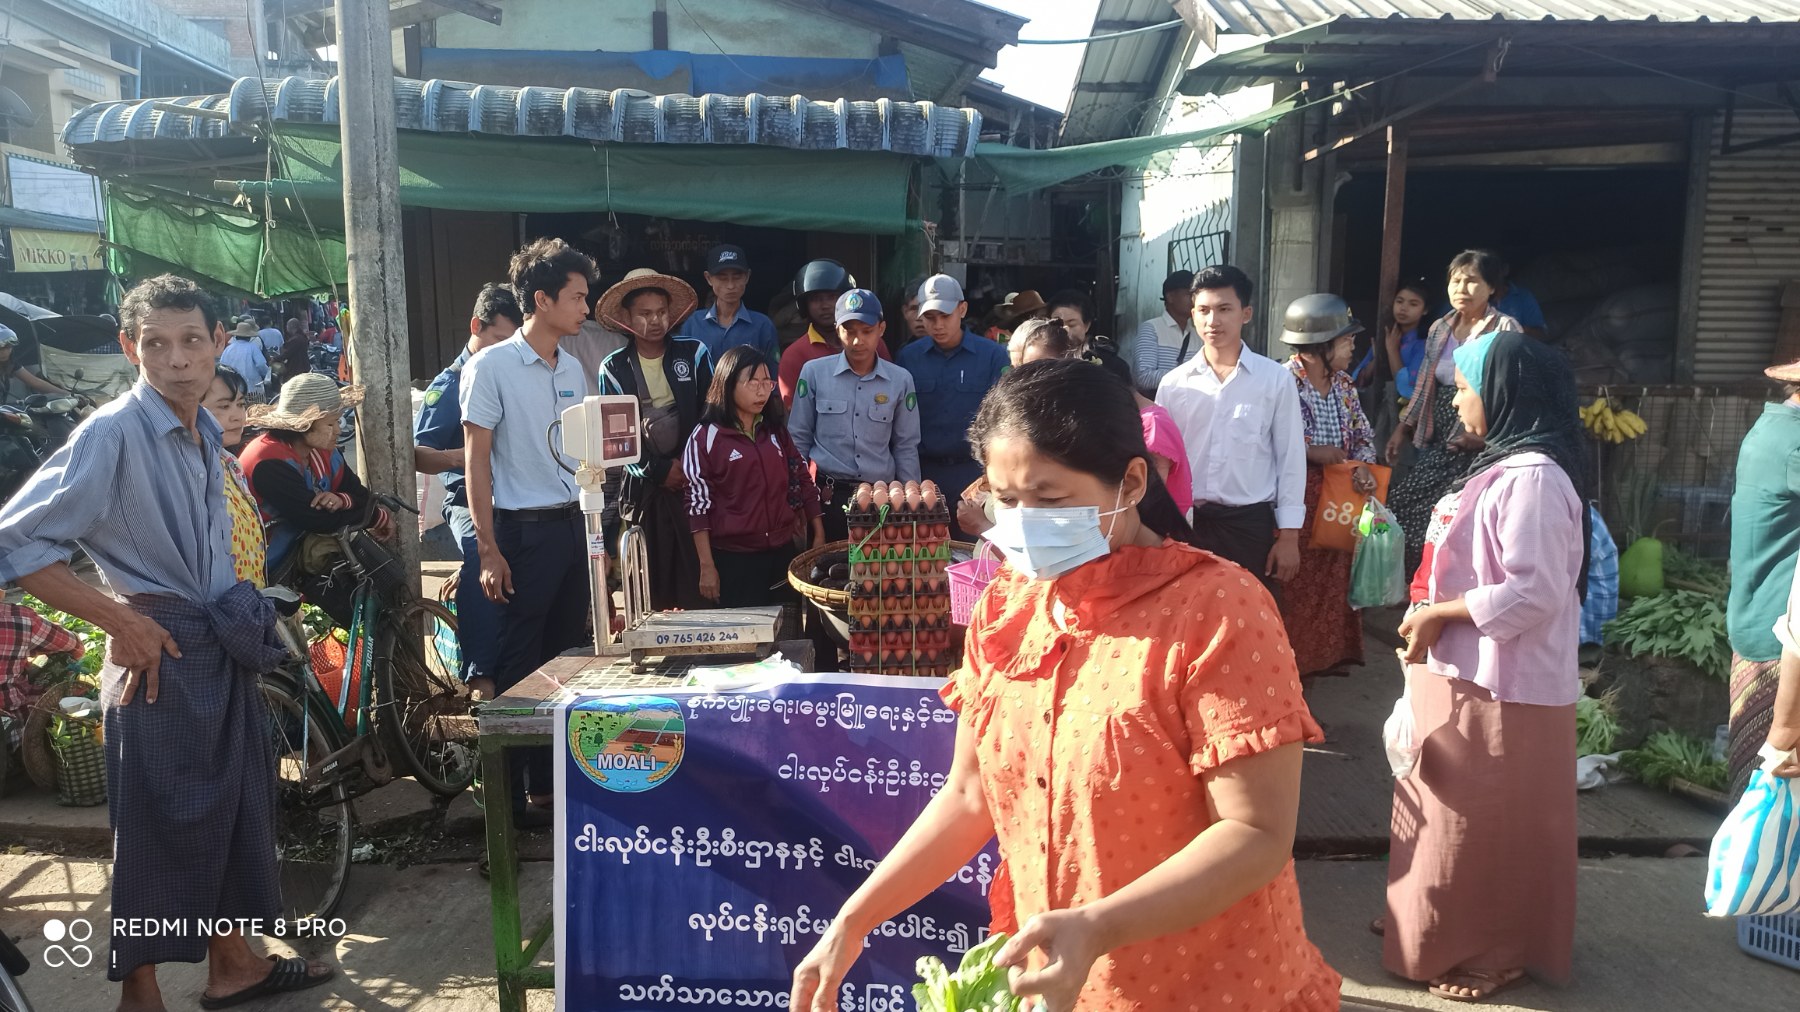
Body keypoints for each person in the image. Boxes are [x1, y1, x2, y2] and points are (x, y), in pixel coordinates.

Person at [791, 358, 1341, 1012]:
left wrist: (1099, 926)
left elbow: (1255, 833)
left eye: (1049, 500)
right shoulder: (1006, 606)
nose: (1023, 521)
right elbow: (969, 795)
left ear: (1132, 481)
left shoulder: (1220, 609)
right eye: (1005, 499)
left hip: (1209, 985)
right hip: (1053, 985)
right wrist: (853, 920)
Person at [0, 275, 334, 1010]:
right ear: (130, 348)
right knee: (162, 826)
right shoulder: (113, 432)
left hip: (216, 643)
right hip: (159, 653)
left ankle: (233, 965)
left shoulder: (205, 430)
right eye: (156, 343)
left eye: (191, 340)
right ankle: (140, 995)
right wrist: (119, 621)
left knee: (229, 811)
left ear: (220, 342)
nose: (176, 359)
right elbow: (17, 544)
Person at [1385, 330, 1588, 1003]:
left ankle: (1496, 948)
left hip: (1505, 681)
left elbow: (1535, 591)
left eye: (1466, 389)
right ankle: (1436, 918)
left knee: (1490, 822)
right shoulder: (1498, 466)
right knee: (1448, 810)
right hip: (1462, 669)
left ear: (1505, 396)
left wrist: (1441, 614)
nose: (1456, 402)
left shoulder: (1533, 478)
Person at [462, 238, 594, 817]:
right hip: (522, 531)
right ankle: (507, 802)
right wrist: (487, 549)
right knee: (520, 661)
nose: (585, 308)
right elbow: (476, 462)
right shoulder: (489, 366)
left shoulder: (574, 367)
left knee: (565, 658)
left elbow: (586, 456)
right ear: (542, 299)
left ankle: (547, 788)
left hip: (572, 526)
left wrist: (597, 534)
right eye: (577, 297)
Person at [1156, 265, 1306, 595]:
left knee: (1250, 612)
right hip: (1187, 524)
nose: (1213, 321)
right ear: (1193, 314)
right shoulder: (1174, 384)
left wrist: (1289, 535)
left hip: (1249, 526)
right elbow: (1163, 462)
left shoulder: (1275, 380)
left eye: (1224, 309)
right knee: (1185, 613)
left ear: (1245, 313)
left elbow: (1290, 459)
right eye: (1204, 310)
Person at [1384, 250, 1523, 577]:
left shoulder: (1505, 328)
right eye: (1456, 280)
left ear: (1491, 287)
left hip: (1480, 435)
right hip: (1439, 428)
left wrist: (1484, 438)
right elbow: (1425, 384)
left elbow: (1511, 391)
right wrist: (1402, 428)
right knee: (1406, 501)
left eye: (1472, 281)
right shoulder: (1440, 328)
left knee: (1457, 513)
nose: (1462, 288)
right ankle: (1414, 582)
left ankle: (1445, 582)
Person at [413, 283, 522, 689]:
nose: (504, 351)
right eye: (497, 340)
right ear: (476, 326)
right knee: (481, 558)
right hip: (466, 499)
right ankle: (481, 679)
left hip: (515, 496)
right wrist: (465, 457)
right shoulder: (450, 384)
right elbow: (418, 453)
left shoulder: (517, 373)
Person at [598, 268, 712, 611]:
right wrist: (659, 470)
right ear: (627, 318)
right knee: (648, 588)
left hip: (695, 486)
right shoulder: (613, 368)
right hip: (644, 492)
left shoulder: (694, 353)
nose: (655, 321)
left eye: (661, 312)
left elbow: (712, 417)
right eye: (644, 314)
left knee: (697, 584)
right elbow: (617, 440)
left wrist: (688, 468)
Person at [1277, 295, 1378, 676]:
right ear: (1319, 346)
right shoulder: (1282, 382)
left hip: (1340, 495)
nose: (1353, 347)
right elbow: (1262, 441)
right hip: (1294, 498)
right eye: (1346, 340)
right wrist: (1308, 451)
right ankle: (1289, 666)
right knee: (1295, 583)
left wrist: (1364, 465)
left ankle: (1323, 660)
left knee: (1334, 579)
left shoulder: (1345, 385)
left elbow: (1362, 435)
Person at [240, 374, 391, 623]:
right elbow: (316, 519)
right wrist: (375, 517)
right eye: (330, 424)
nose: (338, 430)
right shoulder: (268, 460)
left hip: (292, 559)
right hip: (261, 568)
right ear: (303, 424)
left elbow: (360, 495)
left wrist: (342, 500)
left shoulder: (322, 452)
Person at [682, 346, 824, 607]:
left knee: (787, 628)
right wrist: (707, 566)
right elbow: (697, 505)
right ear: (727, 384)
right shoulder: (704, 438)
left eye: (767, 382)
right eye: (752, 382)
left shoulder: (776, 432)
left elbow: (803, 477)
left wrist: (818, 533)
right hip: (734, 559)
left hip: (782, 553)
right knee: (746, 630)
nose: (762, 391)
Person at [789, 290, 921, 542]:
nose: (858, 340)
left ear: (881, 329)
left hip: (881, 501)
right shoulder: (814, 373)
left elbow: (906, 446)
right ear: (837, 330)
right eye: (849, 331)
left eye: (867, 331)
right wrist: (797, 499)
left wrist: (911, 504)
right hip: (827, 500)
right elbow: (798, 439)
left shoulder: (900, 380)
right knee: (824, 565)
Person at [1726, 356, 1800, 795]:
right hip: (1781, 634)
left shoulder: (1774, 428)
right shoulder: (1792, 443)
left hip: (1764, 620)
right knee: (1770, 780)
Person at [898, 274, 1009, 539]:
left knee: (975, 551)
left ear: (962, 309)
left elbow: (1003, 421)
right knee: (924, 552)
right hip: (924, 474)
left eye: (945, 316)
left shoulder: (992, 356)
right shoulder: (908, 358)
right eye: (930, 317)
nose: (937, 325)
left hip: (973, 475)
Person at [777, 259, 889, 406]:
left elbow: (890, 392)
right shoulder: (795, 354)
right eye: (816, 299)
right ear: (804, 305)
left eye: (832, 297)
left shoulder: (873, 343)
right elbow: (794, 412)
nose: (825, 305)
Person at [681, 243, 779, 368]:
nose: (730, 286)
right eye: (722, 278)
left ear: (747, 277)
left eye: (737, 277)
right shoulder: (692, 324)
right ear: (708, 278)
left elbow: (772, 373)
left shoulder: (763, 326)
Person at [1132, 269, 1197, 394]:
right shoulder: (1151, 329)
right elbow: (1143, 377)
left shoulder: (1198, 335)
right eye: (1188, 294)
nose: (1193, 300)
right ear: (1170, 297)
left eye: (1195, 296)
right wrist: (1189, 378)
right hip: (1159, 403)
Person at [1048, 288, 1131, 386]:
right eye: (1058, 324)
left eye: (1072, 324)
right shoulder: (1042, 357)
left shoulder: (1109, 364)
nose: (1065, 329)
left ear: (1087, 325)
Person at [1487, 253, 1547, 341]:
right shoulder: (1477, 299)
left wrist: (1513, 329)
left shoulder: (1523, 296)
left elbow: (1541, 334)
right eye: (1485, 272)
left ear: (1505, 270)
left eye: (1493, 270)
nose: (1489, 276)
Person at [217, 320, 271, 400]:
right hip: (253, 388)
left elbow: (222, 366)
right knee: (256, 407)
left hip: (234, 388)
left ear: (236, 336)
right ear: (249, 337)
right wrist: (265, 375)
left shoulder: (228, 349)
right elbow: (261, 364)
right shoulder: (253, 347)